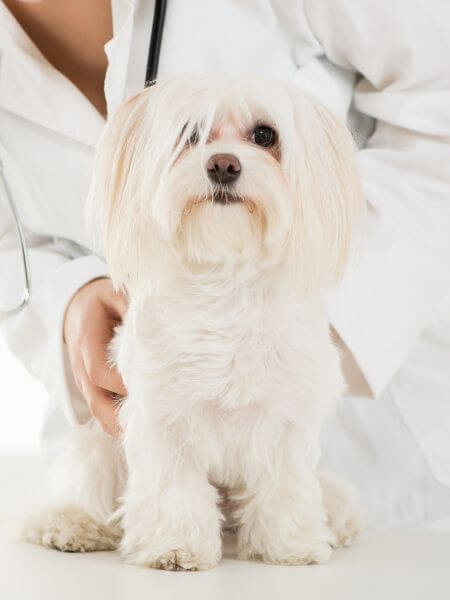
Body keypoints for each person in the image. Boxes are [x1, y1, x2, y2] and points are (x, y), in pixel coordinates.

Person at [1, 0, 449, 528]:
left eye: (262, 137)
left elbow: (437, 98)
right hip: (130, 478)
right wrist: (68, 298)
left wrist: (279, 320)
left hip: (374, 463)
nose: (223, 159)